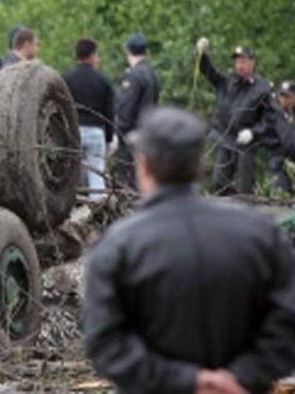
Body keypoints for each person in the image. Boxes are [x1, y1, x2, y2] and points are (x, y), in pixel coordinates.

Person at [83, 106, 295, 394]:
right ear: (198, 163)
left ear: (143, 165)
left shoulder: (118, 245)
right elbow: (287, 325)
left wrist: (188, 381)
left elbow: (105, 343)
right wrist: (240, 377)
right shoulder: (262, 233)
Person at [196, 38, 277, 195]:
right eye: (237, 61)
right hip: (226, 139)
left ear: (252, 62)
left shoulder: (263, 88)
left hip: (247, 143)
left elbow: (270, 119)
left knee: (244, 188)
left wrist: (253, 132)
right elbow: (208, 71)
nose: (239, 65)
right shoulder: (228, 81)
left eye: (243, 61)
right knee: (218, 183)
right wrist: (202, 55)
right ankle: (231, 211)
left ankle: (245, 211)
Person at [62, 38, 115, 201]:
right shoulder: (103, 80)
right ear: (92, 55)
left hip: (73, 132)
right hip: (96, 131)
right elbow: (109, 112)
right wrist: (109, 138)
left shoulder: (66, 79)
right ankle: (96, 213)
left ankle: (72, 209)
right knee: (96, 175)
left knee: (71, 175)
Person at [114, 34, 160, 189]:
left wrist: (117, 133)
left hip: (131, 137)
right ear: (146, 52)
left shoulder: (134, 75)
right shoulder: (152, 73)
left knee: (129, 184)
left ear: (128, 51)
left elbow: (126, 108)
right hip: (148, 133)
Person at [265, 81, 295, 194]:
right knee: (280, 198)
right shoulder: (274, 115)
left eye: (288, 96)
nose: (284, 99)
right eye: (282, 95)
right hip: (278, 164)